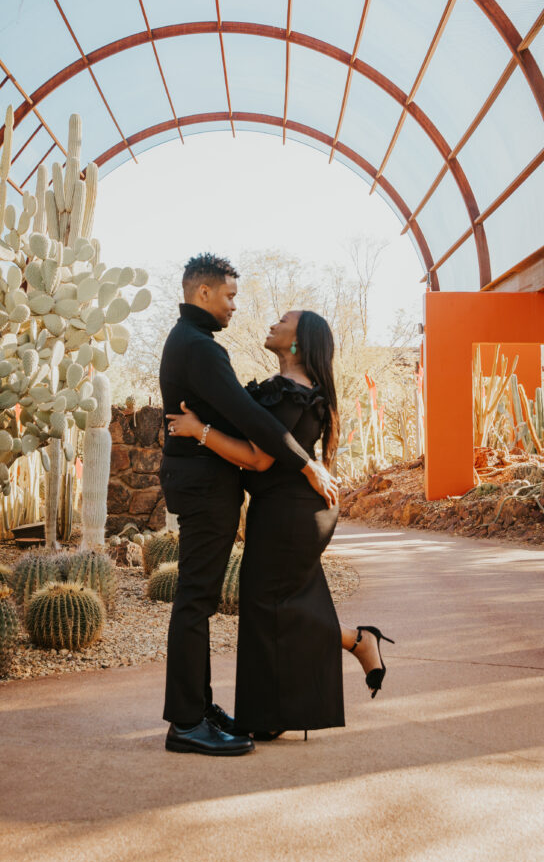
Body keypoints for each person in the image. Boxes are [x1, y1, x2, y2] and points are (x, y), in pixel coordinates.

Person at [167, 308, 394, 741]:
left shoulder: (292, 394)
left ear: (298, 341)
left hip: (290, 514)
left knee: (272, 609)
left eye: (284, 320)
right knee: (279, 608)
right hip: (290, 510)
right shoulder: (292, 390)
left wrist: (199, 431)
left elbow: (258, 459)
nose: (273, 323)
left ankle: (347, 649)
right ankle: (277, 707)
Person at [159, 254, 339, 757]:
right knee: (197, 600)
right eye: (230, 295)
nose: (236, 306)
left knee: (200, 599)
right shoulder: (199, 347)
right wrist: (307, 464)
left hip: (206, 484)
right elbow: (249, 417)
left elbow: (248, 420)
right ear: (203, 294)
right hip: (204, 486)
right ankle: (186, 723)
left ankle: (199, 708)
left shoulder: (193, 342)